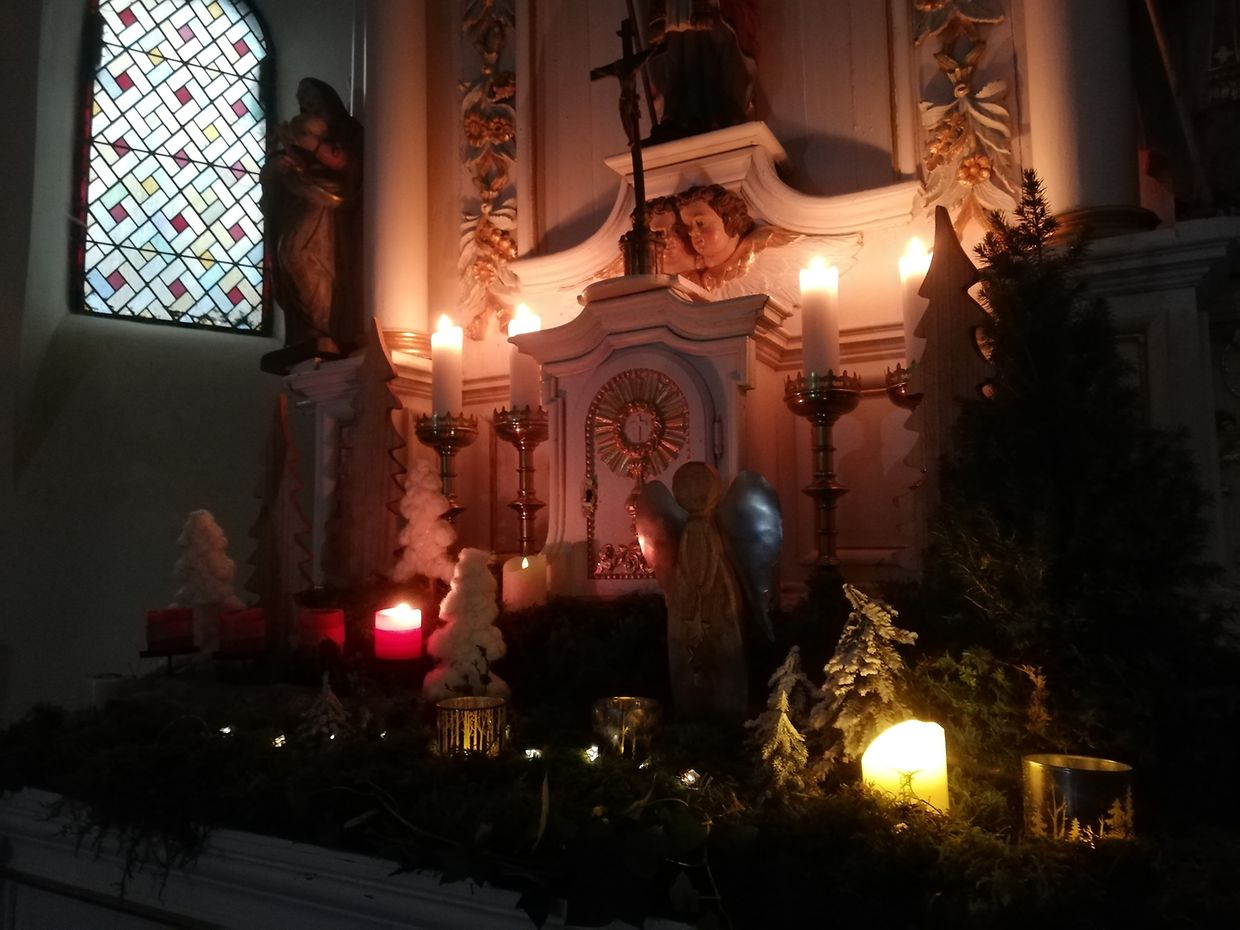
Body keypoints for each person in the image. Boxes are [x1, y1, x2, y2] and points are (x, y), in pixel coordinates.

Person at [261, 78, 363, 373]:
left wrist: (314, 145)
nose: (306, 101)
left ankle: (325, 325)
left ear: (325, 98)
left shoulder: (344, 130)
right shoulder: (299, 127)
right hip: (300, 197)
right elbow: (286, 163)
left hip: (325, 201)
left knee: (301, 254)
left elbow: (349, 164)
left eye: (311, 95)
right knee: (288, 255)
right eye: (301, 97)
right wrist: (280, 163)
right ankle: (306, 330)